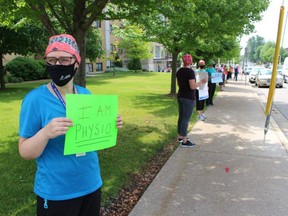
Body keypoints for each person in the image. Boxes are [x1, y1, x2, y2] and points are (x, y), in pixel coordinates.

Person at [18, 34, 123, 216]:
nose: (57, 65)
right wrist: (45, 133)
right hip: (56, 193)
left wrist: (110, 124)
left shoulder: (85, 95)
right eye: (52, 59)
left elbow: (93, 138)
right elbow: (25, 152)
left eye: (64, 59)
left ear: (76, 63)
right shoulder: (34, 100)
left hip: (91, 184)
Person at [176, 54, 207, 147]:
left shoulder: (179, 71)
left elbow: (179, 84)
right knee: (186, 119)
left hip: (180, 96)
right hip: (188, 98)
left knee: (181, 117)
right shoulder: (190, 72)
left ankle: (180, 136)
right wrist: (202, 82)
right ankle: (185, 141)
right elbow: (192, 86)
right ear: (191, 61)